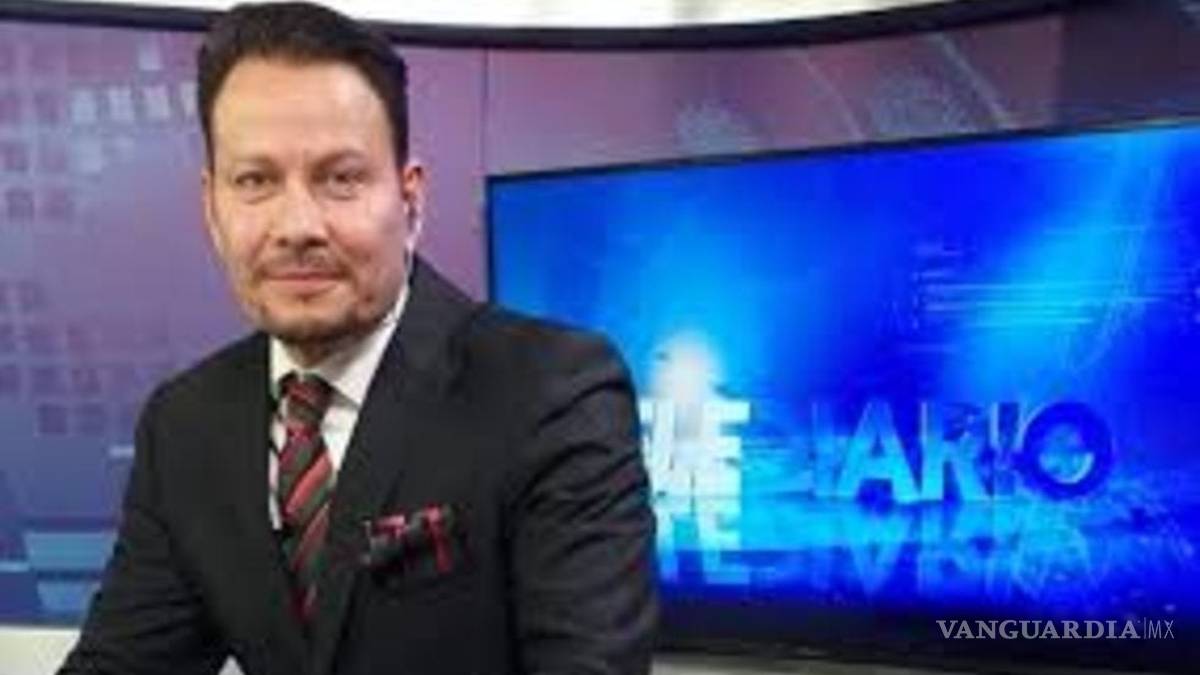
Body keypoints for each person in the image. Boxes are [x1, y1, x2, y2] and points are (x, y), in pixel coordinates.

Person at [57, 3, 657, 674]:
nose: (297, 226)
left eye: (340, 178)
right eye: (255, 181)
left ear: (410, 201)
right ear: (212, 209)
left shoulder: (552, 392)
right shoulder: (184, 427)